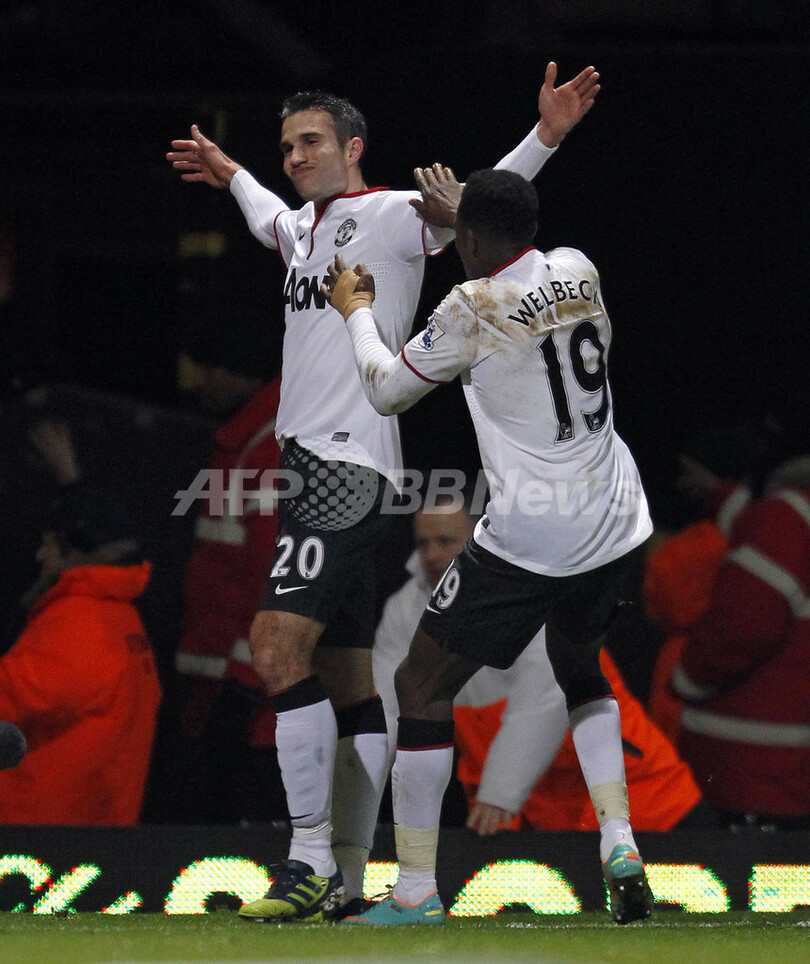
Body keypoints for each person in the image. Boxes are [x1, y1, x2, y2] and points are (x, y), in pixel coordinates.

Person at [167, 63, 601, 921]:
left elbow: (481, 202)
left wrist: (546, 136)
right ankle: (349, 875)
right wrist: (232, 172)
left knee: (273, 647)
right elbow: (264, 213)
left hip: (344, 468)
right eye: (287, 146)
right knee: (349, 680)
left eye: (312, 142)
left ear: (353, 147)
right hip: (323, 468)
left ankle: (303, 863)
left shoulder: (393, 215)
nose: (296, 156)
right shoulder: (301, 228)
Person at [322, 167, 655, 925]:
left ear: (468, 235)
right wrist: (467, 216)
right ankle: (620, 841)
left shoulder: (471, 307)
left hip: (533, 534)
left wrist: (357, 311)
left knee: (419, 686)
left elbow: (385, 389)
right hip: (616, 518)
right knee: (580, 667)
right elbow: (517, 262)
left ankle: (414, 891)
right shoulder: (578, 267)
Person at [374, 503, 703, 836]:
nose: (431, 554)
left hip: (643, 802)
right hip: (542, 817)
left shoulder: (526, 593)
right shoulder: (406, 609)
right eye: (423, 543)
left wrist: (500, 793)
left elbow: (543, 697)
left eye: (445, 541)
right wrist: (361, 783)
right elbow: (387, 706)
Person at [170, 327, 284, 823]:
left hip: (245, 690)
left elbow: (272, 573)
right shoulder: (253, 439)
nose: (196, 382)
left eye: (205, 368)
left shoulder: (267, 445)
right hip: (233, 680)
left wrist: (246, 677)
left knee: (233, 828)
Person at [0, 484, 161, 823]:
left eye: (49, 544)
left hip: (42, 828)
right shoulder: (121, 615)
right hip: (87, 824)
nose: (40, 555)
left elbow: (11, 694)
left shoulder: (80, 620)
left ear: (77, 550)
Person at [672, 455, 810, 829]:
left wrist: (685, 678)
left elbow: (745, 623)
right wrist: (720, 494)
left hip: (757, 778)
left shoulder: (788, 519)